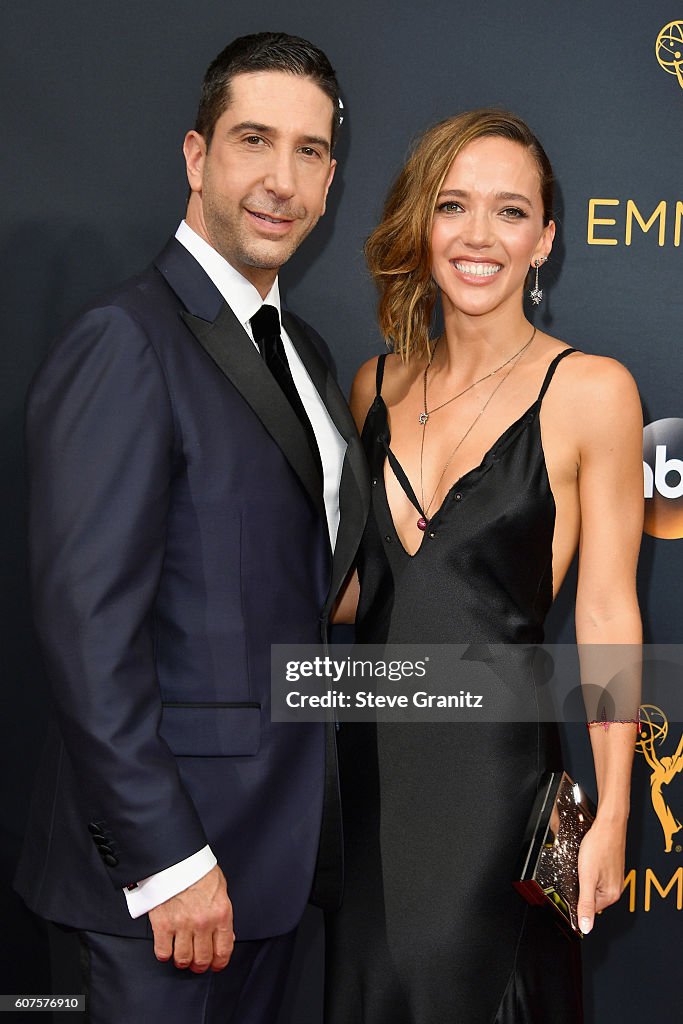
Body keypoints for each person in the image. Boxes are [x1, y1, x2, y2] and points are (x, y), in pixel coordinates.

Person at [14, 32, 368, 1024]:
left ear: (332, 177)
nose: (280, 179)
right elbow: (89, 631)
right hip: (159, 898)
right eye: (253, 140)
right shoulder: (126, 342)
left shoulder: (304, 351)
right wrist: (167, 861)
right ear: (195, 155)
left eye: (307, 151)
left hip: (280, 874)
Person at [325, 110, 643, 1023]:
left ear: (543, 240)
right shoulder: (370, 385)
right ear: (420, 224)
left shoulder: (591, 392)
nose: (477, 237)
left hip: (496, 789)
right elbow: (368, 592)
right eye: (453, 205)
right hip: (367, 783)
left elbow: (608, 614)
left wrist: (614, 806)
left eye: (510, 213)